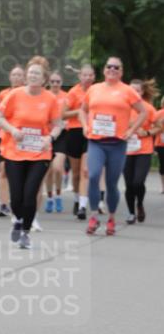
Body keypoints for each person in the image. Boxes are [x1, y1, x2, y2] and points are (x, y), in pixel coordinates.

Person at [0, 60, 62, 249]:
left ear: (44, 79)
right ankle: (17, 220)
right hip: (14, 152)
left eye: (37, 74)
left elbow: (58, 124)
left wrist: (49, 138)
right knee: (16, 197)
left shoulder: (50, 99)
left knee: (30, 194)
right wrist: (12, 130)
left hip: (39, 154)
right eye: (31, 72)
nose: (33, 76)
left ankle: (25, 231)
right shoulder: (14, 95)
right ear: (26, 76)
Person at [80, 57, 146, 236]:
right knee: (93, 176)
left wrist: (132, 129)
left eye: (116, 67)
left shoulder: (127, 91)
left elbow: (143, 112)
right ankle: (93, 215)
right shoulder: (94, 89)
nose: (112, 69)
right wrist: (85, 126)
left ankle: (111, 217)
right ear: (104, 70)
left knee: (111, 183)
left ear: (121, 71)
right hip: (96, 141)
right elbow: (82, 109)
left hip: (117, 143)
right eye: (109, 66)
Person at [122, 78, 159, 224]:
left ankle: (140, 204)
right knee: (129, 184)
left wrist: (148, 133)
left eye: (137, 90)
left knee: (138, 182)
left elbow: (159, 126)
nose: (133, 93)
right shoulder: (123, 107)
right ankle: (131, 213)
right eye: (131, 90)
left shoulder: (148, 108)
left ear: (142, 92)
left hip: (144, 150)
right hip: (126, 150)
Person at [63, 64, 95, 219]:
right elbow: (62, 114)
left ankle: (83, 206)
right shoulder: (73, 92)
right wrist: (79, 111)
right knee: (75, 173)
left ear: (94, 77)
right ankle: (76, 199)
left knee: (85, 171)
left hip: (91, 133)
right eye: (85, 75)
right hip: (74, 132)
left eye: (90, 75)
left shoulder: (97, 91)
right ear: (79, 76)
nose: (87, 78)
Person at [0, 65, 25, 216]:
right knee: (3, 171)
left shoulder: (26, 94)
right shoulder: (3, 94)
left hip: (21, 137)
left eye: (20, 75)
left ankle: (17, 201)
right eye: (14, 75)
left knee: (19, 172)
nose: (17, 78)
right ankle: (4, 204)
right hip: (5, 136)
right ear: (10, 77)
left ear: (24, 78)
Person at [43, 70, 68, 213]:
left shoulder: (66, 97)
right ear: (48, 83)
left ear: (61, 83)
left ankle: (58, 195)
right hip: (47, 135)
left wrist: (64, 122)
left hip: (62, 135)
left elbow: (71, 112)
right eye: (52, 81)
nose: (55, 84)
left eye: (57, 81)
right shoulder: (44, 96)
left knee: (58, 168)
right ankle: (50, 198)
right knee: (48, 170)